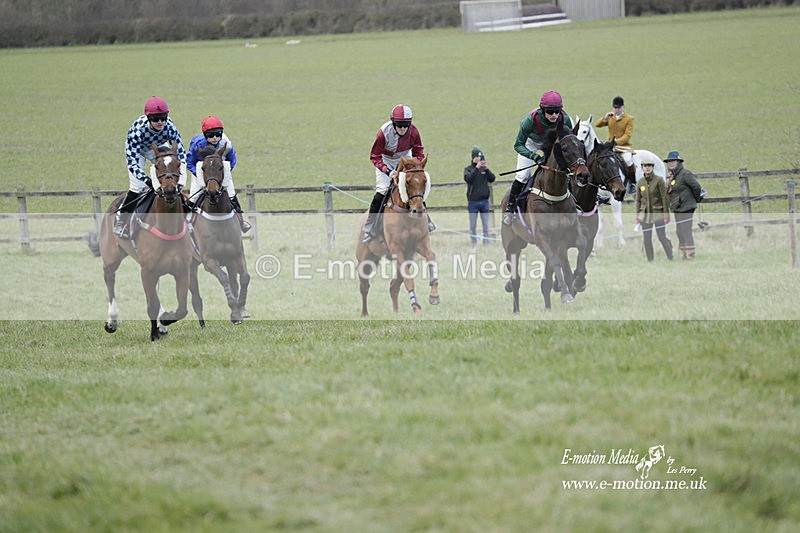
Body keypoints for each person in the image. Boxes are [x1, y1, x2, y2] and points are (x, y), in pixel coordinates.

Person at [115, 96, 187, 238]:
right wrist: (148, 180)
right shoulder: (137, 131)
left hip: (159, 148)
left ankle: (185, 213)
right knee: (136, 187)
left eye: (163, 118)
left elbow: (181, 154)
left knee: (171, 177)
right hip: (139, 151)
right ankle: (121, 220)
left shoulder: (170, 127)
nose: (160, 122)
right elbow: (132, 164)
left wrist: (182, 179)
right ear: (149, 118)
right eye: (155, 119)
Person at [363, 104, 433, 244]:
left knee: (414, 186)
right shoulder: (383, 133)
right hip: (385, 160)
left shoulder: (414, 132)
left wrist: (416, 167)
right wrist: (388, 171)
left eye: (406, 125)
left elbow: (418, 152)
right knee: (382, 190)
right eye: (399, 125)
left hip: (405, 158)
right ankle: (369, 227)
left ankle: (427, 221)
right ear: (393, 123)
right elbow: (375, 156)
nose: (402, 128)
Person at [503, 90, 573, 226]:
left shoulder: (565, 119)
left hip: (552, 143)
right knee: (523, 175)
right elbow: (518, 145)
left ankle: (574, 204)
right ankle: (510, 209)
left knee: (567, 172)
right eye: (550, 112)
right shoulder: (530, 120)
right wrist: (534, 157)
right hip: (531, 143)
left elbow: (569, 142)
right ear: (542, 109)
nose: (554, 115)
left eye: (557, 111)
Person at [186, 115, 251, 233]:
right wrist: (201, 175)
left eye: (218, 134)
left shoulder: (226, 144)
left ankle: (241, 222)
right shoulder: (197, 144)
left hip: (220, 170)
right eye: (211, 135)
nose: (215, 138)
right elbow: (190, 162)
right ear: (205, 135)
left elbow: (232, 160)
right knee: (194, 197)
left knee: (231, 195)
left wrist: (222, 175)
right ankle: (188, 221)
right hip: (201, 170)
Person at [665, 151, 703, 260]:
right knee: (679, 232)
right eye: (669, 161)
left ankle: (690, 256)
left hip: (687, 207)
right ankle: (683, 254)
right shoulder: (673, 176)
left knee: (686, 231)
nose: (670, 163)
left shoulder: (685, 174)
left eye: (673, 161)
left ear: (679, 162)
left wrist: (695, 199)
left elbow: (697, 187)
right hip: (678, 208)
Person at [594, 95, 636, 194]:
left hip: (623, 147)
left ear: (623, 107)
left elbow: (627, 135)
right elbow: (597, 125)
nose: (617, 110)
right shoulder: (611, 117)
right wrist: (605, 118)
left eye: (619, 108)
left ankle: (633, 183)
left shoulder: (629, 119)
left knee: (628, 160)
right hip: (610, 147)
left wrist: (615, 142)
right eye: (615, 108)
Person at [635, 159, 673, 262]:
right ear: (642, 168)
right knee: (647, 239)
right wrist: (637, 217)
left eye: (650, 165)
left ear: (653, 167)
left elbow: (664, 198)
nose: (647, 168)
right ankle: (650, 260)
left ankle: (670, 257)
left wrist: (666, 215)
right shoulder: (640, 182)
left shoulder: (659, 180)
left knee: (661, 237)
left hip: (658, 214)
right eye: (645, 166)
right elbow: (638, 200)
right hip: (645, 215)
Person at [464, 146, 496, 248]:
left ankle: (486, 243)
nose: (480, 160)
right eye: (478, 157)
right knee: (473, 225)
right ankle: (473, 243)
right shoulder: (468, 169)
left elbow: (492, 179)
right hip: (473, 202)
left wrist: (486, 169)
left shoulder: (484, 170)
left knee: (485, 225)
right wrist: (477, 168)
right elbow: (469, 179)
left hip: (484, 201)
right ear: (474, 158)